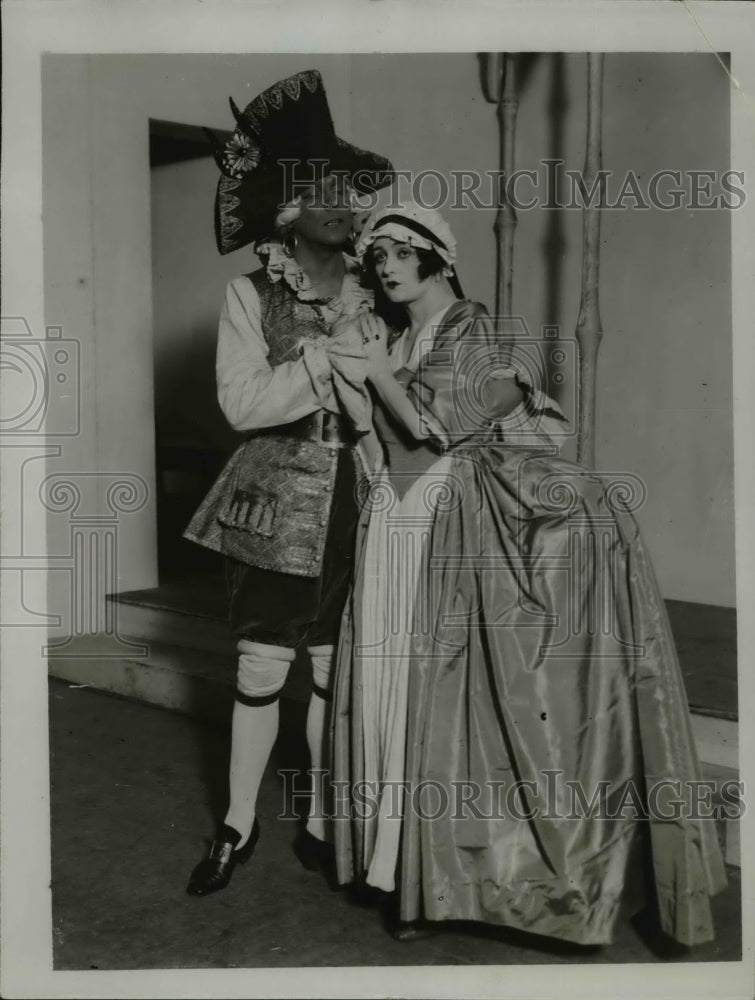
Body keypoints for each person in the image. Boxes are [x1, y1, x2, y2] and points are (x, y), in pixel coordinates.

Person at [327, 202, 727, 948]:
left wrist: (375, 369)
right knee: (389, 690)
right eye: (374, 253)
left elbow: (430, 425)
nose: (383, 264)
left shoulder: (477, 330)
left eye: (398, 250)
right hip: (393, 515)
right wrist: (354, 371)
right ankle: (396, 869)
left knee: (443, 702)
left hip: (450, 519)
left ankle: (443, 877)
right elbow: (368, 432)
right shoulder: (394, 333)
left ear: (436, 258)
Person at [182, 69, 394, 896]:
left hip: (361, 498)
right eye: (327, 192)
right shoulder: (248, 295)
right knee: (263, 667)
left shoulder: (383, 289)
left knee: (337, 668)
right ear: (287, 210)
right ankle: (235, 826)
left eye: (350, 191)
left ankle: (319, 819)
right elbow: (240, 406)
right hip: (272, 498)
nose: (346, 204)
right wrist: (319, 357)